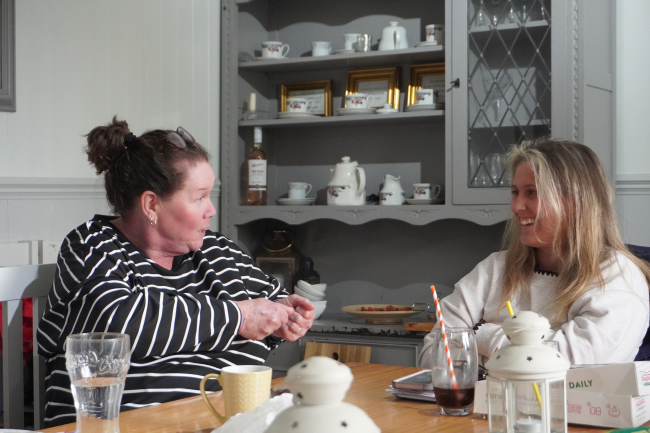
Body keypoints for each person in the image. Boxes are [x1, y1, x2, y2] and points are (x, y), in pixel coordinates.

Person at [36, 117, 314, 427]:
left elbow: (271, 308)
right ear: (151, 205)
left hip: (224, 423)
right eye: (199, 197)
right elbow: (122, 326)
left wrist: (282, 320)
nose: (211, 210)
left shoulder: (217, 251)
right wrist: (239, 318)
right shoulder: (92, 245)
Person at [419, 137, 650, 368]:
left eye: (532, 193)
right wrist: (526, 353)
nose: (517, 206)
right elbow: (432, 355)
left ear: (577, 202)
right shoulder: (494, 268)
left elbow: (580, 371)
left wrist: (482, 336)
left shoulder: (617, 276)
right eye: (515, 192)